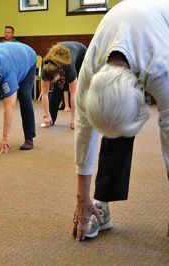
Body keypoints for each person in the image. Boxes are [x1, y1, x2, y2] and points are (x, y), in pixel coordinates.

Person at [72, 0, 169, 241]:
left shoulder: (160, 67)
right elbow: (84, 131)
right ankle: (100, 204)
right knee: (114, 121)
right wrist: (82, 199)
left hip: (161, 26)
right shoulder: (91, 69)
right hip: (130, 24)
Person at [40, 42, 87, 129]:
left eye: (54, 80)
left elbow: (73, 94)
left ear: (59, 72)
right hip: (60, 57)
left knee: (80, 88)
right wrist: (46, 115)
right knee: (57, 89)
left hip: (81, 53)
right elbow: (45, 94)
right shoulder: (45, 68)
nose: (52, 82)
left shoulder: (68, 67)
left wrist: (73, 117)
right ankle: (50, 120)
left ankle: (79, 119)